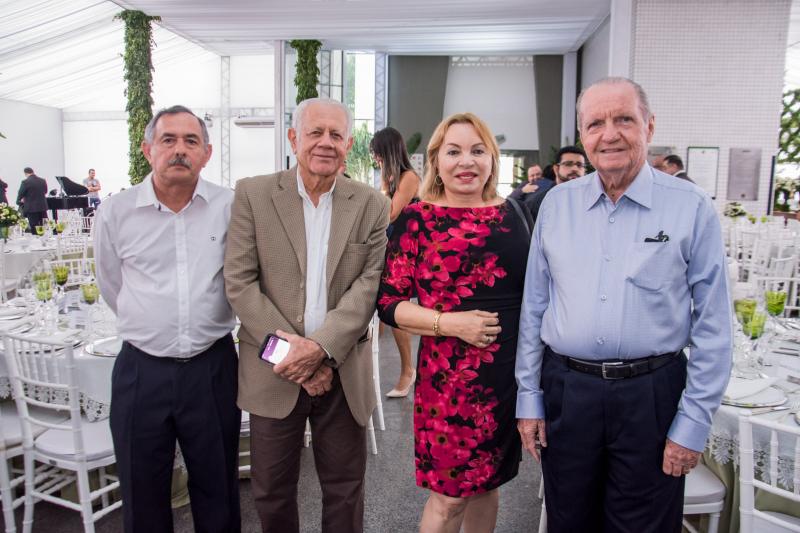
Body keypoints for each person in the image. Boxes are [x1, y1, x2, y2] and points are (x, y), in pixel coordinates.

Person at [515, 77, 732, 532]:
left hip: (651, 397)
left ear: (649, 126)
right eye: (595, 123)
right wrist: (529, 398)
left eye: (624, 120)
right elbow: (534, 307)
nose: (609, 134)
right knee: (568, 521)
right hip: (568, 391)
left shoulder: (691, 206)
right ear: (582, 135)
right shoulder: (556, 205)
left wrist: (693, 423)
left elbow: (714, 325)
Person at [224, 97, 389, 533]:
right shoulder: (253, 194)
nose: (325, 143)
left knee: (345, 491)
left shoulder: (371, 203)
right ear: (293, 138)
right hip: (272, 371)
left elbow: (368, 285)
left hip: (342, 371)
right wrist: (296, 358)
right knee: (271, 493)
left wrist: (320, 350)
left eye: (336, 134)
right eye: (315, 132)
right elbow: (240, 282)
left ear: (348, 144)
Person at [377, 112, 528, 532]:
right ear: (436, 161)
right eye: (454, 151)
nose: (466, 161)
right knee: (448, 499)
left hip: (506, 380)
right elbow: (388, 303)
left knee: (488, 485)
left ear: (492, 159)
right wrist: (450, 323)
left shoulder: (514, 214)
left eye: (477, 151)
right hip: (448, 384)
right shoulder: (417, 219)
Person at [94, 105, 241, 533]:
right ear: (148, 150)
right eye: (168, 140)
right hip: (141, 371)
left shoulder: (229, 206)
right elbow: (111, 283)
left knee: (218, 489)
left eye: (191, 141)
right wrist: (152, 323)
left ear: (207, 153)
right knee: (142, 494)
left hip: (212, 368)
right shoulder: (116, 211)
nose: (180, 150)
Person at [369, 126, 421, 398]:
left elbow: (388, 213)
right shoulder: (392, 178)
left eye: (377, 154)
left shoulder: (408, 177)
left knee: (396, 308)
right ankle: (405, 370)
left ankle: (408, 371)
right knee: (389, 309)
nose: (375, 160)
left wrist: (383, 184)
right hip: (392, 248)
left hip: (408, 250)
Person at [523, 146, 587, 223]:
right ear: (556, 169)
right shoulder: (539, 203)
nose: (575, 169)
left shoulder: (592, 200)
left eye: (579, 165)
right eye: (568, 164)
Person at [16, 167, 47, 233]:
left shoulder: (25, 182)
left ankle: (35, 238)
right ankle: (42, 238)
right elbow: (45, 191)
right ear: (33, 172)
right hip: (42, 207)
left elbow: (21, 193)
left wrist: (18, 201)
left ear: (25, 173)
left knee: (34, 227)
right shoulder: (42, 180)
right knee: (42, 227)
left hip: (31, 208)